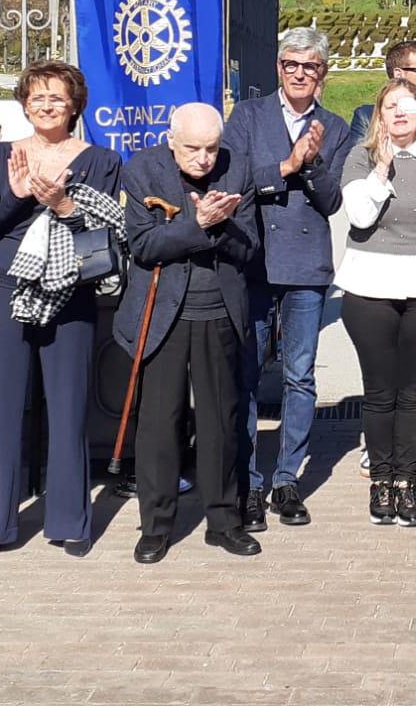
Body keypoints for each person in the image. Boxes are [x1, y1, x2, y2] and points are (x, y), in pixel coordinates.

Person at [0, 61, 124, 557]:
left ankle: (69, 520)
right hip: (3, 288)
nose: (46, 105)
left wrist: (63, 207)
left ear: (75, 104)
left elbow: (105, 238)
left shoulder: (101, 159)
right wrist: (16, 197)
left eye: (57, 97)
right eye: (37, 96)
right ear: (24, 103)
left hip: (68, 292)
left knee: (68, 407)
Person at [223, 28, 352, 528]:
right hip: (253, 259)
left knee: (300, 376)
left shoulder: (335, 126)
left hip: (305, 265)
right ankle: (250, 482)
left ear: (323, 72)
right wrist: (286, 165)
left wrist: (314, 163)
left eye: (311, 67)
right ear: (279, 68)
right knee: (249, 374)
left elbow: (330, 201)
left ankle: (286, 478)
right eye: (292, 65)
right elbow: (233, 180)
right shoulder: (248, 116)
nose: (300, 74)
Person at [120, 103, 260, 561]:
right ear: (170, 139)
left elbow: (250, 247)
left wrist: (221, 227)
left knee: (221, 422)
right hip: (163, 312)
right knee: (161, 423)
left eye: (211, 148)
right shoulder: (142, 170)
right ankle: (156, 526)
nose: (203, 158)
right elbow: (143, 246)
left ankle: (224, 521)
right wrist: (197, 224)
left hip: (219, 310)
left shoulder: (238, 167)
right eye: (193, 149)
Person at [337, 79, 416, 527]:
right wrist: (381, 171)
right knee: (379, 392)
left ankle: (408, 483)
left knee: (413, 394)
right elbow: (359, 215)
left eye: (409, 106)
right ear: (380, 114)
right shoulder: (362, 156)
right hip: (369, 289)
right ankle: (382, 481)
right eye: (390, 106)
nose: (399, 113)